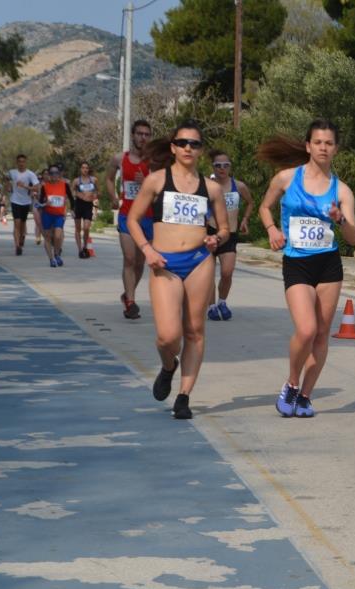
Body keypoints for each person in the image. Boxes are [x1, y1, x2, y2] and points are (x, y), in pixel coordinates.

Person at [127, 120, 230, 420]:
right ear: (173, 147)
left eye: (194, 144)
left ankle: (184, 396)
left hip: (199, 260)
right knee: (167, 337)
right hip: (165, 262)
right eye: (182, 143)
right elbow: (133, 220)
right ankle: (168, 366)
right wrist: (147, 250)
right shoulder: (156, 181)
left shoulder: (211, 188)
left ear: (200, 150)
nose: (188, 148)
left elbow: (224, 228)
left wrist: (217, 238)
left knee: (195, 331)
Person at [257, 120, 355, 418]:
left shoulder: (342, 191)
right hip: (297, 262)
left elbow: (353, 238)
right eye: (318, 142)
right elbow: (265, 207)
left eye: (329, 143)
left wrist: (340, 220)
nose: (323, 147)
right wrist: (272, 229)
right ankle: (291, 382)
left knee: (322, 334)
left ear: (335, 149)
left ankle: (305, 396)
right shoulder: (287, 178)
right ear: (308, 146)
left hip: (328, 264)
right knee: (306, 329)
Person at [107, 119, 154, 319]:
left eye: (146, 134)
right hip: (127, 214)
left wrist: (147, 183)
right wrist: (113, 197)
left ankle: (128, 294)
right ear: (132, 135)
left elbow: (161, 188)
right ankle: (131, 304)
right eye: (139, 133)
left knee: (141, 262)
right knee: (129, 258)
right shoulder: (119, 159)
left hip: (148, 216)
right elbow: (108, 178)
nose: (143, 137)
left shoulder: (154, 162)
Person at [206, 150, 253, 320]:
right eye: (218, 166)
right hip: (210, 232)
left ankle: (222, 302)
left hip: (230, 235)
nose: (222, 169)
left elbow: (250, 202)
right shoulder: (207, 186)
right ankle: (211, 306)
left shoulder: (238, 186)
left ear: (230, 167)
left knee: (227, 272)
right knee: (208, 274)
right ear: (213, 167)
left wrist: (245, 220)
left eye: (225, 165)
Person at [38, 164, 74, 267]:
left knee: (58, 236)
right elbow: (39, 203)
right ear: (49, 174)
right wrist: (45, 204)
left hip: (59, 215)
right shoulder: (45, 186)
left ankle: (57, 254)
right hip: (47, 214)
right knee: (48, 237)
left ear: (59, 174)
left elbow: (71, 198)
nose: (54, 175)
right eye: (52, 173)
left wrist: (72, 209)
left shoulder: (65, 185)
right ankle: (51, 259)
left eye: (56, 173)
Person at [5, 154, 39, 256]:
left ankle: (22, 237)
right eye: (19, 161)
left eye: (23, 161)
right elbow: (7, 179)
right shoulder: (12, 172)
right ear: (17, 162)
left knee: (23, 224)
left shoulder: (30, 174)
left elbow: (36, 188)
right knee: (17, 223)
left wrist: (25, 186)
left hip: (26, 202)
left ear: (25, 162)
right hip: (15, 200)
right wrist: (8, 186)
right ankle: (17, 247)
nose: (21, 163)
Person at [72, 161, 98, 259]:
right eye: (83, 168)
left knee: (86, 227)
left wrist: (95, 195)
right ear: (80, 169)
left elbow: (97, 191)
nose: (85, 170)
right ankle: (80, 250)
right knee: (78, 229)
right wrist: (79, 194)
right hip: (78, 205)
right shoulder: (76, 181)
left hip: (88, 205)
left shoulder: (94, 180)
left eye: (87, 168)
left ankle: (85, 247)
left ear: (89, 169)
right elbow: (72, 191)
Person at [31, 169, 47, 246]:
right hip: (37, 204)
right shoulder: (37, 185)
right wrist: (34, 194)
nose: (46, 176)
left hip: (47, 205)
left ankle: (46, 237)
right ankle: (38, 236)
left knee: (45, 222)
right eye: (45, 174)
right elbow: (32, 193)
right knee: (38, 222)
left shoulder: (51, 185)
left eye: (48, 174)